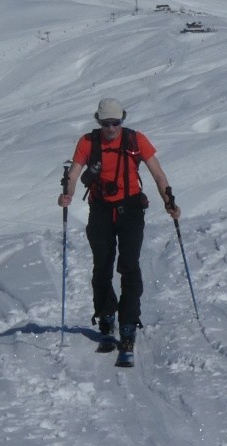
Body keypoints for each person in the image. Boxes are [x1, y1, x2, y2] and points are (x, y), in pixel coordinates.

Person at [56, 98, 179, 357]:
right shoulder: (88, 142)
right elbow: (74, 174)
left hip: (131, 209)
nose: (111, 128)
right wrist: (67, 194)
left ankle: (127, 323)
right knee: (102, 266)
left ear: (122, 119)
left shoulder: (136, 140)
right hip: (100, 210)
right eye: (105, 123)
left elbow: (158, 173)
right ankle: (106, 316)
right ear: (98, 121)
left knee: (129, 266)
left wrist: (169, 202)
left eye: (115, 123)